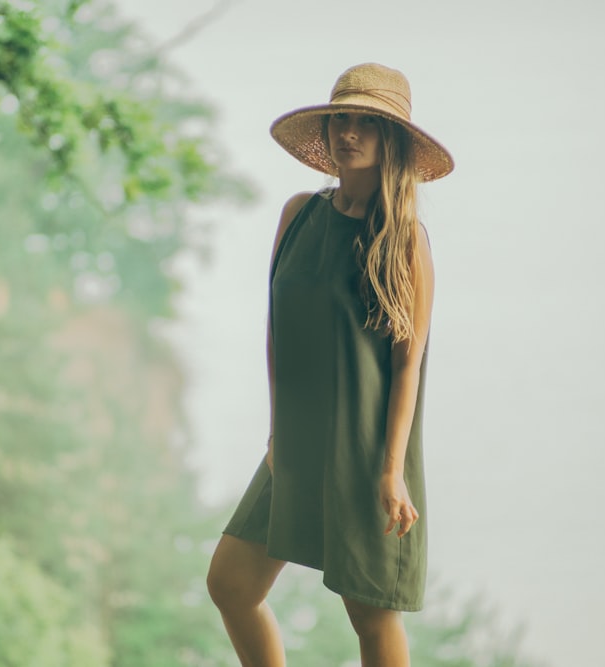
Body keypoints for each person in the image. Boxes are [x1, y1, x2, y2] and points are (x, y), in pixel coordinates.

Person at [205, 63, 455, 667]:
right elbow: (276, 332)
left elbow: (407, 367)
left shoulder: (404, 240)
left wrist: (391, 470)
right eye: (342, 117)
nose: (350, 131)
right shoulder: (298, 215)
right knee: (232, 584)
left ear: (391, 139)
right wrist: (276, 429)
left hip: (367, 450)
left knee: (370, 613)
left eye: (366, 121)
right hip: (295, 443)